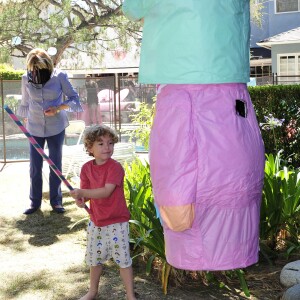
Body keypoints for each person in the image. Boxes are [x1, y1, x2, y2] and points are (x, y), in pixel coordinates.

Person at [123, 1, 265, 271]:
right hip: (232, 85)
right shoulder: (236, 98)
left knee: (180, 158)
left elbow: (132, 7)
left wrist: (174, 207)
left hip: (185, 78)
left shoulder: (180, 100)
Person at [70, 125, 136, 300]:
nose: (107, 147)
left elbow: (106, 192)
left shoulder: (115, 168)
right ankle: (92, 291)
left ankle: (130, 296)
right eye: (100, 143)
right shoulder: (86, 169)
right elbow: (86, 196)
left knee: (123, 260)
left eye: (110, 143)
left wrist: (83, 193)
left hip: (117, 222)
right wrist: (81, 199)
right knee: (94, 260)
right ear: (90, 148)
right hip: (97, 221)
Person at [17, 48, 83, 215]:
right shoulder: (26, 78)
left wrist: (58, 108)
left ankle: (56, 201)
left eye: (39, 68)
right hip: (34, 128)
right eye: (33, 69)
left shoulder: (59, 76)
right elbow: (25, 104)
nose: (36, 72)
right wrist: (23, 117)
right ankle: (34, 203)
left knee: (55, 165)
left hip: (56, 128)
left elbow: (74, 100)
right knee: (35, 167)